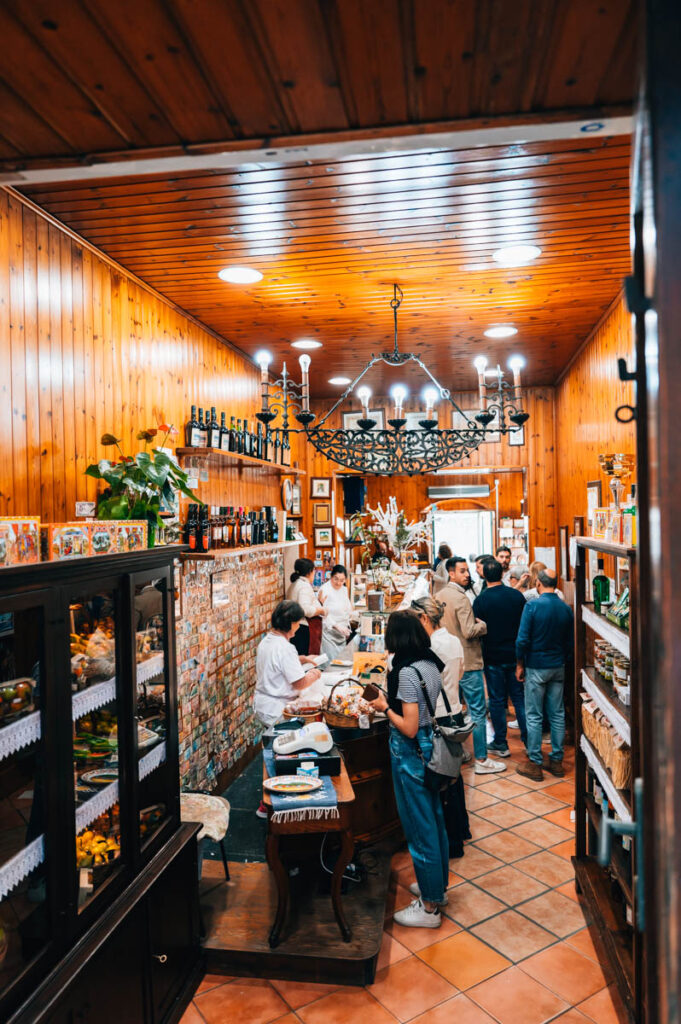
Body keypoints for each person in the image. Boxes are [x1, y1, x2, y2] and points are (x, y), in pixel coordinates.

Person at [367, 611, 449, 928]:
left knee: (418, 827)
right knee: (435, 821)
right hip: (431, 747)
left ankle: (429, 908)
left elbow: (410, 726)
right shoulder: (429, 663)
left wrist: (384, 707)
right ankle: (436, 888)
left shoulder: (405, 672)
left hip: (411, 751)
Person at [410, 596, 472, 857]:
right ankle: (459, 833)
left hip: (437, 718)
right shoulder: (454, 641)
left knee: (438, 781)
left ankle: (448, 843)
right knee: (452, 778)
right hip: (454, 713)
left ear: (424, 618)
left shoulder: (428, 648)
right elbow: (460, 674)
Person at [254, 600, 322, 816]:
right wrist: (314, 673)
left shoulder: (267, 641)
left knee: (271, 751)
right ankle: (271, 803)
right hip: (277, 707)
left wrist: (300, 659)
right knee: (280, 754)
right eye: (297, 623)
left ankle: (268, 800)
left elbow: (279, 666)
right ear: (291, 623)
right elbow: (299, 683)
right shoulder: (285, 648)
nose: (298, 627)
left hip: (264, 703)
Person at [439, 556, 506, 774]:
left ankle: (457, 753)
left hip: (446, 661)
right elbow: (468, 631)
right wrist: (483, 626)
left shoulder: (439, 596)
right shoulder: (461, 598)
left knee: (453, 709)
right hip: (467, 661)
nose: (467, 575)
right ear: (451, 573)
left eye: (467, 571)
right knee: (477, 711)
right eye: (462, 571)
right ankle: (482, 760)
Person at [515, 569, 574, 781]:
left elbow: (522, 640)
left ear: (538, 583)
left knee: (534, 715)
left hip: (536, 665)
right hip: (558, 665)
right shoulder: (565, 609)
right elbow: (570, 641)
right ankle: (556, 761)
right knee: (557, 714)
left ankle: (535, 763)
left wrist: (519, 664)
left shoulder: (532, 606)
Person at [473, 559, 528, 757]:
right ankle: (529, 742)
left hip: (492, 655)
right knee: (520, 698)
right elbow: (524, 625)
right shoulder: (516, 596)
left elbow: (477, 629)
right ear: (501, 574)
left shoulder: (481, 600)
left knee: (496, 700)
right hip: (515, 654)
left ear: (485, 576)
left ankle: (501, 743)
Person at [286, 558, 325, 656]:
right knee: (306, 661)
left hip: (295, 628)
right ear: (310, 572)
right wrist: (321, 610)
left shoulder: (294, 585)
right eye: (314, 570)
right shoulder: (304, 586)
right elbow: (305, 609)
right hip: (303, 629)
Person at [318, 564, 356, 660]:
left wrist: (354, 614)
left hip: (342, 633)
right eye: (336, 579)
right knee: (331, 663)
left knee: (341, 661)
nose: (339, 583)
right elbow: (323, 613)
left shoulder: (344, 589)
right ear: (331, 576)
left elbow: (347, 608)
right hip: (329, 633)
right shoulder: (324, 589)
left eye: (342, 580)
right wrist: (336, 626)